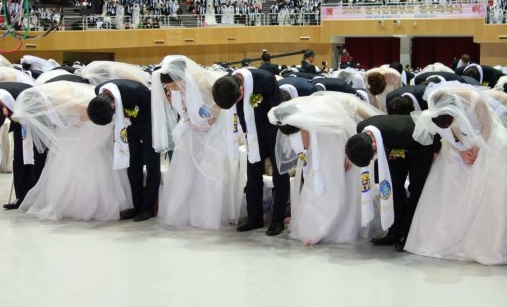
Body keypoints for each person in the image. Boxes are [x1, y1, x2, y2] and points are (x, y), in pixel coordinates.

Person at [406, 84, 507, 265]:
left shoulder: (475, 99)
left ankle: (491, 244)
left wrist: (474, 149)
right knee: (448, 180)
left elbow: (487, 127)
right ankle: (446, 236)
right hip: (459, 142)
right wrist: (459, 149)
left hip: (488, 140)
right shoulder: (436, 101)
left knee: (492, 183)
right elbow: (448, 129)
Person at [270, 93, 381, 244]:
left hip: (340, 150)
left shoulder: (320, 110)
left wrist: (350, 155)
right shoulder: (303, 116)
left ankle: (324, 229)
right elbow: (307, 145)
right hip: (321, 154)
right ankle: (316, 227)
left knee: (336, 188)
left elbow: (346, 125)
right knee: (318, 187)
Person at [13, 81, 133, 221]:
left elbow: (87, 112)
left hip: (91, 122)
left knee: (86, 160)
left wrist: (76, 122)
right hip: (73, 126)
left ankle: (88, 202)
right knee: (63, 163)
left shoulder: (60, 99)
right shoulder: (49, 99)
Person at [152, 56, 243, 229]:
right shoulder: (177, 87)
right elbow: (184, 107)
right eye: (168, 88)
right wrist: (188, 119)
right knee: (185, 169)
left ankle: (206, 215)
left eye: (173, 86)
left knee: (206, 170)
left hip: (210, 129)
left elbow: (218, 101)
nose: (172, 90)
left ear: (180, 77)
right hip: (191, 129)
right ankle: (183, 213)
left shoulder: (201, 81)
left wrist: (211, 119)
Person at [213, 65, 290, 235]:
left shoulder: (265, 79)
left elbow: (279, 111)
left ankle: (277, 220)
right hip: (253, 133)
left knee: (280, 174)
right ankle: (254, 219)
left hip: (274, 130)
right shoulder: (228, 84)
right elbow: (240, 112)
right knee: (253, 174)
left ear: (241, 89)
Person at [344, 111, 438, 250]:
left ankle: (407, 234)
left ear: (374, 146)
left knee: (416, 190)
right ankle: (394, 231)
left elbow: (431, 132)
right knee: (392, 189)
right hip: (394, 148)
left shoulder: (404, 131)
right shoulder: (361, 129)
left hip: (420, 146)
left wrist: (436, 150)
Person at [88, 78, 160, 222]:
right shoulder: (98, 91)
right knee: (132, 165)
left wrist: (143, 130)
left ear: (112, 104)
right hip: (128, 126)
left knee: (152, 165)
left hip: (149, 123)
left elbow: (155, 108)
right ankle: (136, 206)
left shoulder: (136, 91)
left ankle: (148, 208)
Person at [0, 80, 45, 210]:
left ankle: (36, 198)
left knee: (35, 160)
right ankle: (21, 197)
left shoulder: (24, 95)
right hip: (18, 125)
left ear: (5, 109)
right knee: (19, 160)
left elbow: (41, 107)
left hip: (35, 122)